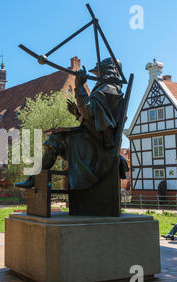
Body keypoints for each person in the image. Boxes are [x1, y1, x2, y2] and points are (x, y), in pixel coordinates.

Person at [15, 57, 128, 190]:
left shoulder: (109, 89)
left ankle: (33, 178)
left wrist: (79, 86)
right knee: (56, 138)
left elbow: (90, 114)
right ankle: (33, 178)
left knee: (55, 139)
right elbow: (93, 119)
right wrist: (77, 114)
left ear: (108, 69)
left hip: (98, 146)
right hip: (92, 138)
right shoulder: (107, 87)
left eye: (100, 69)